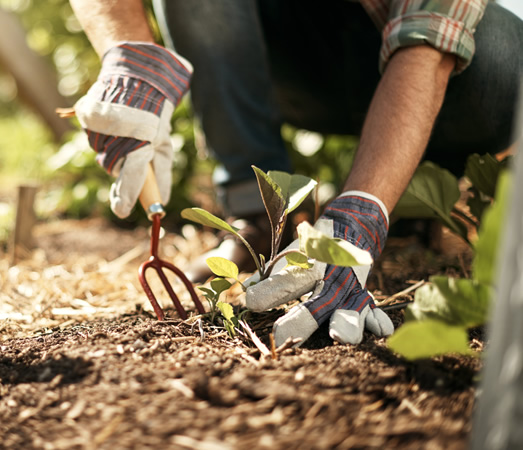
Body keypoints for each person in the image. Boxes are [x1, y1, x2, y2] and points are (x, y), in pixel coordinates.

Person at [67, 0, 523, 347]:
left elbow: (430, 47)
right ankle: (261, 215)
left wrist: (360, 214)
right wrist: (126, 54)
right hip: (283, 57)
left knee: (505, 64)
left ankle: (413, 190)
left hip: (421, 53)